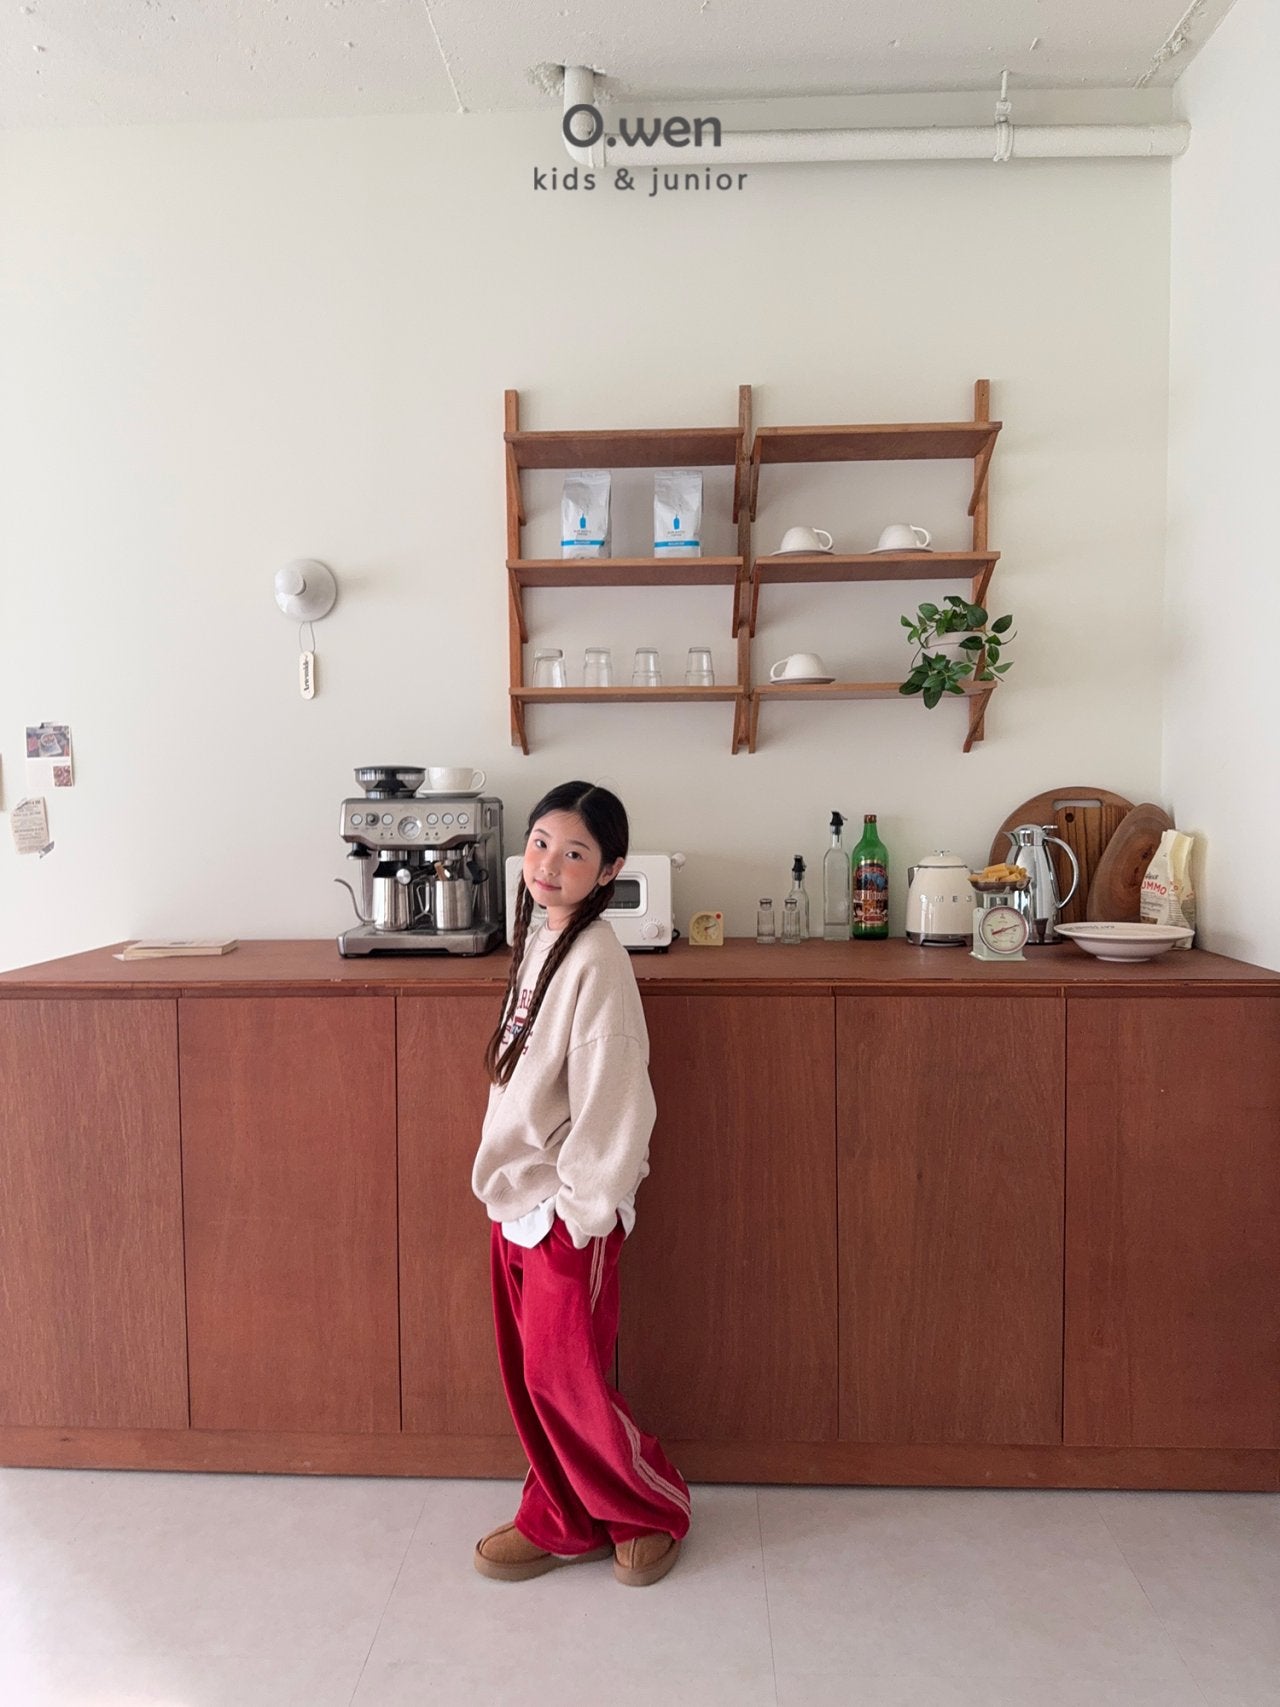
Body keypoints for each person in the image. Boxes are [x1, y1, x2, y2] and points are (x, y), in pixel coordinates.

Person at [471, 780, 690, 1588]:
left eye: (573, 853)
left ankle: (649, 1509)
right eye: (539, 843)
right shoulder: (540, 938)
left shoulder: (598, 957)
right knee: (533, 1376)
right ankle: (561, 1515)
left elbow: (616, 1095)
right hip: (516, 1194)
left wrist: (582, 1210)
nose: (548, 864)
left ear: (609, 870)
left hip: (568, 1208)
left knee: (563, 1375)